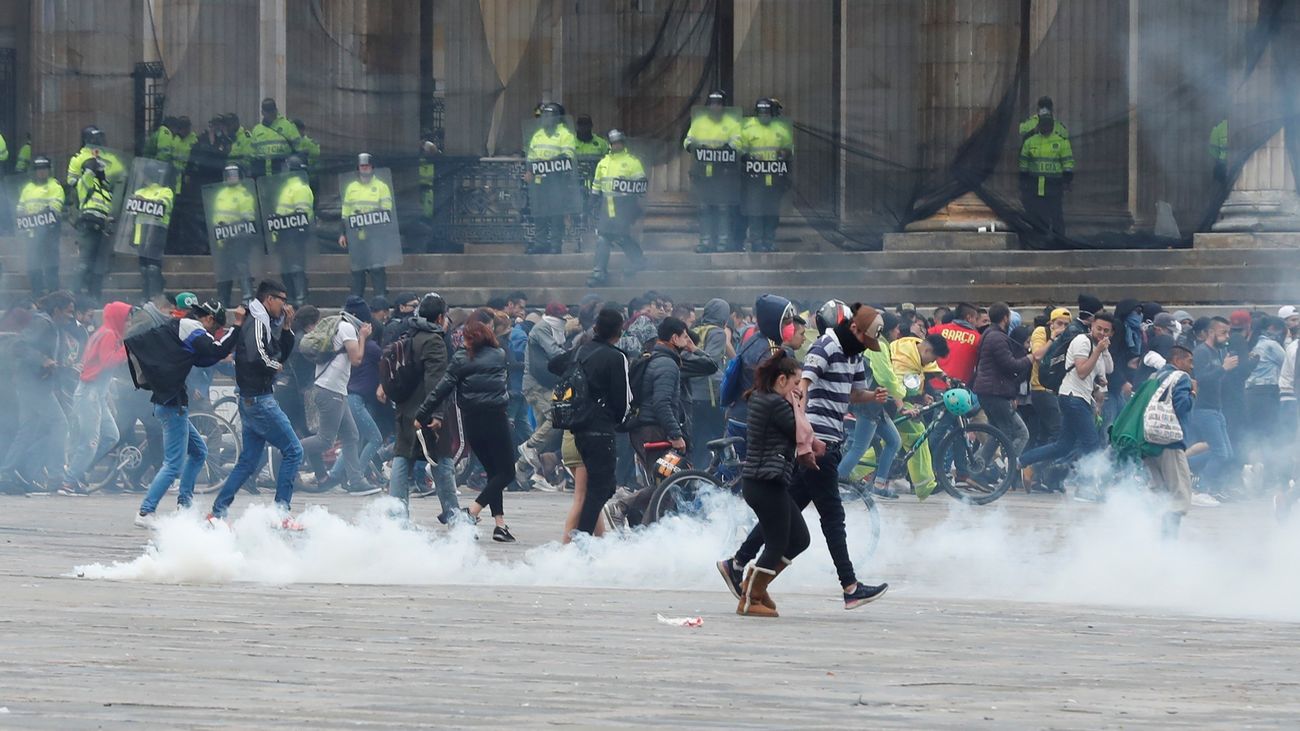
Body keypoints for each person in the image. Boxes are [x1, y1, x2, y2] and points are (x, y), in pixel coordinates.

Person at [719, 304, 890, 610]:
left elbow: (854, 393)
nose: (867, 345)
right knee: (832, 517)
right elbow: (803, 388)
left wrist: (872, 397)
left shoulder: (856, 354)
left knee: (790, 511)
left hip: (829, 440)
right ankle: (849, 586)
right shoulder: (826, 345)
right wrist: (804, 435)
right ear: (855, 329)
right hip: (817, 441)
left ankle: (738, 563)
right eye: (866, 339)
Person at [128, 300, 244, 527]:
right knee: (173, 464)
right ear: (209, 319)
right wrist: (238, 325)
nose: (213, 333)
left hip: (171, 402)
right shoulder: (191, 327)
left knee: (199, 451)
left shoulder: (182, 327)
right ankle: (145, 512)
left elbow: (206, 357)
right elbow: (216, 349)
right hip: (172, 405)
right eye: (215, 328)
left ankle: (185, 505)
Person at [209, 281, 305, 526]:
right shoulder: (256, 321)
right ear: (268, 299)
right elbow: (257, 355)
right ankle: (281, 513)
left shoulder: (266, 321)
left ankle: (217, 512)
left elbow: (280, 351)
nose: (285, 305)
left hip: (251, 399)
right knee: (294, 451)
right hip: (260, 400)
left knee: (249, 460)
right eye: (281, 300)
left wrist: (286, 329)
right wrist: (275, 366)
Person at [417, 310, 517, 542]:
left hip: (472, 420)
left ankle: (500, 525)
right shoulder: (499, 354)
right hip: (496, 418)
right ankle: (471, 512)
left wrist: (423, 412)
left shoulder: (461, 358)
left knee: (494, 471)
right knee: (506, 472)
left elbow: (441, 388)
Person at [730, 351, 810, 617]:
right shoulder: (776, 404)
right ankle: (750, 599)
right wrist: (799, 404)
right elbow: (800, 431)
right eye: (796, 382)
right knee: (776, 543)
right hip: (765, 481)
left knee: (799, 538)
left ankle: (756, 585)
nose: (799, 389)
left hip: (767, 481)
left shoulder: (767, 399)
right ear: (781, 380)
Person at [548, 307, 631, 540]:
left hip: (578, 426)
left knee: (598, 488)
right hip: (601, 428)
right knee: (602, 488)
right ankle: (582, 540)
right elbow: (621, 400)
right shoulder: (616, 357)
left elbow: (553, 365)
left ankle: (584, 540)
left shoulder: (580, 351)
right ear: (619, 332)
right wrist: (616, 420)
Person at [1018, 312, 1114, 499]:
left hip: (1081, 398)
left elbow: (1109, 369)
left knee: (1063, 445)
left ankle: (1024, 462)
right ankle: (1085, 489)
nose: (1102, 333)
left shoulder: (1098, 346)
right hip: (1072, 397)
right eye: (1099, 328)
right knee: (1091, 444)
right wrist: (1097, 351)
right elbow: (1081, 372)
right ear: (1091, 326)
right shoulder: (1082, 342)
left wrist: (1104, 350)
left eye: (1106, 331)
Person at [388, 293, 460, 523]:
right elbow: (436, 382)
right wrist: (437, 414)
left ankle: (396, 518)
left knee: (402, 456)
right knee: (442, 460)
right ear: (440, 317)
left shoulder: (410, 334)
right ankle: (454, 515)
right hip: (426, 411)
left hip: (405, 407)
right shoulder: (434, 341)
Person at [0, 291, 79, 494]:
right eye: (69, 311)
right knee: (60, 423)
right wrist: (42, 360)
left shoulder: (53, 326)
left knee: (27, 430)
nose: (72, 316)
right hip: (33, 385)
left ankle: (5, 473)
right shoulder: (43, 323)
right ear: (57, 309)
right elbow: (19, 346)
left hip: (35, 384)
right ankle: (56, 477)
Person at [299, 302, 378, 495]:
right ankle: (286, 450)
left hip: (337, 391)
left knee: (351, 436)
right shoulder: (347, 327)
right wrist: (362, 337)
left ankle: (356, 480)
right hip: (330, 390)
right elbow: (356, 359)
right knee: (325, 441)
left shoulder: (341, 326)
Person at [60, 301, 132, 496]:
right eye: (127, 318)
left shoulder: (105, 332)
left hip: (96, 394)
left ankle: (80, 470)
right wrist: (127, 349)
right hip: (89, 393)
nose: (129, 323)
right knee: (90, 441)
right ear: (118, 318)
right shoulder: (108, 334)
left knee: (111, 436)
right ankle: (69, 481)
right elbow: (107, 361)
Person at [973, 303, 1040, 462]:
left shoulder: (991, 334)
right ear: (1005, 318)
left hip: (990, 391)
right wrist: (1029, 359)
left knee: (997, 434)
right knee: (1020, 433)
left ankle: (979, 468)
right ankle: (1008, 469)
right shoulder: (997, 338)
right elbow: (1010, 366)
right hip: (995, 393)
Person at [516, 301, 570, 491]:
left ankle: (522, 468)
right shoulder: (541, 329)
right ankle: (529, 446)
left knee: (544, 432)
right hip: (536, 385)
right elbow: (554, 352)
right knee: (557, 418)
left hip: (545, 385)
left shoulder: (555, 330)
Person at [1144, 346, 1195, 539]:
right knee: (1178, 496)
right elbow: (1182, 406)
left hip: (1149, 440)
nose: (1191, 366)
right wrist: (1193, 393)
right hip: (1170, 443)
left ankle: (1141, 533)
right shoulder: (1180, 377)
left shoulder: (1154, 377)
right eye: (1189, 361)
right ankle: (1168, 541)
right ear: (1177, 359)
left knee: (1159, 493)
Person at [890, 332, 949, 498]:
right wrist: (903, 409)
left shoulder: (914, 347)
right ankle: (924, 485)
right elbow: (894, 385)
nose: (931, 363)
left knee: (891, 440)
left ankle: (856, 472)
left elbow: (928, 369)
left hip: (899, 400)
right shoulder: (904, 359)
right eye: (932, 358)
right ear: (927, 351)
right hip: (889, 402)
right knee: (915, 434)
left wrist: (922, 395)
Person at [587, 129, 648, 286]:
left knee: (620, 236)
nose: (616, 146)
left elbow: (641, 185)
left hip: (625, 205)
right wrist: (591, 201)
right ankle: (599, 272)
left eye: (619, 143)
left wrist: (634, 206)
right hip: (607, 205)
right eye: (614, 143)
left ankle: (638, 259)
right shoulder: (603, 163)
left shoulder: (632, 162)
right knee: (603, 237)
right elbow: (597, 185)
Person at [685, 90, 742, 253]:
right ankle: (705, 242)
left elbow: (738, 142)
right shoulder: (699, 122)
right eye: (712, 103)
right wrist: (694, 147)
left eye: (719, 104)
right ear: (708, 105)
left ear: (723, 106)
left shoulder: (731, 123)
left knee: (723, 208)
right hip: (702, 172)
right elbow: (688, 141)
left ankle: (723, 242)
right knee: (704, 208)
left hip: (723, 172)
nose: (715, 107)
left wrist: (728, 147)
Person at [739, 97, 793, 252]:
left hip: (775, 176)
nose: (764, 115)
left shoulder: (781, 129)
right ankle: (756, 242)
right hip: (755, 177)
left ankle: (769, 241)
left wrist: (785, 153)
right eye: (761, 112)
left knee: (772, 210)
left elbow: (789, 148)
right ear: (757, 113)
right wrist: (747, 156)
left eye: (767, 112)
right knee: (755, 210)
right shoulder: (748, 128)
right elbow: (739, 148)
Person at [339, 153, 395, 298]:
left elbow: (386, 211)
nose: (364, 168)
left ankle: (380, 300)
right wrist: (342, 233)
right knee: (357, 270)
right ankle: (356, 301)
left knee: (377, 267)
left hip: (375, 234)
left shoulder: (381, 187)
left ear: (372, 167)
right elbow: (346, 213)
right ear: (358, 168)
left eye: (367, 166)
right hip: (356, 235)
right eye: (362, 166)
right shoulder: (351, 188)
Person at [524, 102, 577, 255]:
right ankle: (540, 243)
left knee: (556, 213)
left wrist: (548, 163)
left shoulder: (565, 135)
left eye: (549, 115)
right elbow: (531, 156)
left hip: (557, 180)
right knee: (539, 212)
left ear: (557, 118)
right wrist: (529, 170)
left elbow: (568, 156)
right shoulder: (538, 134)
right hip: (539, 180)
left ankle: (555, 245)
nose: (546, 118)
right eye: (544, 116)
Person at [689, 298, 734, 465]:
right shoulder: (717, 333)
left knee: (699, 440)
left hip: (692, 395)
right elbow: (711, 361)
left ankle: (697, 477)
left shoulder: (695, 329)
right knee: (719, 439)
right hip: (711, 396)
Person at [1019, 111, 1075, 240]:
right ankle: (1040, 238)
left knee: (1056, 213)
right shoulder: (1030, 142)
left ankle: (1059, 239)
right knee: (1038, 213)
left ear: (1052, 126)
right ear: (1039, 125)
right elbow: (1023, 161)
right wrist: (1023, 179)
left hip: (1053, 184)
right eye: (1043, 124)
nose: (1046, 127)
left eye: (1048, 124)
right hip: (1035, 183)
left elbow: (1068, 161)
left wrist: (1067, 179)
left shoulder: (1061, 142)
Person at [15, 155, 66, 297]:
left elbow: (55, 208)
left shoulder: (55, 186)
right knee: (33, 265)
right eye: (38, 169)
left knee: (51, 265)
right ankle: (37, 295)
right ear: (35, 171)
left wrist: (36, 216)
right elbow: (20, 208)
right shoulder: (27, 188)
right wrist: (23, 217)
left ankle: (53, 294)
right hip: (31, 234)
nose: (41, 172)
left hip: (49, 233)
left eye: (44, 169)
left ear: (49, 170)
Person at [211, 164, 259, 306]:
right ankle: (223, 300)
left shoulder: (244, 194)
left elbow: (248, 218)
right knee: (224, 270)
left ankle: (248, 297)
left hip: (239, 238)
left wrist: (235, 229)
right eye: (229, 175)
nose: (232, 177)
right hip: (223, 238)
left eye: (234, 174)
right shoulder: (221, 194)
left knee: (241, 266)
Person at [127, 163, 175, 303]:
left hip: (156, 234)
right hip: (140, 234)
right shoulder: (139, 192)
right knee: (143, 268)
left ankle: (155, 296)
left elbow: (163, 206)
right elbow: (132, 212)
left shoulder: (165, 191)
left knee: (153, 268)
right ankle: (146, 296)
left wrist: (144, 202)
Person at [271, 155, 314, 306]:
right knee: (286, 268)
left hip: (295, 235)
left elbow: (302, 213)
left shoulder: (300, 188)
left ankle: (301, 298)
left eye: (287, 167)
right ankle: (291, 298)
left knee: (296, 267)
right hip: (284, 235)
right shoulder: (287, 188)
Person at [72, 157, 114, 302]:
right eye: (98, 170)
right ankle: (74, 296)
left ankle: (94, 297)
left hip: (101, 230)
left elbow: (106, 210)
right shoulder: (85, 184)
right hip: (88, 228)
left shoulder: (105, 191)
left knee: (98, 268)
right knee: (83, 265)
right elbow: (88, 174)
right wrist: (94, 161)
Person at [1028, 307, 1070, 451]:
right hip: (1041, 388)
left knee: (1044, 434)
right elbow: (1038, 356)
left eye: (1066, 325)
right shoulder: (1041, 332)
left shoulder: (1068, 337)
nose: (1062, 328)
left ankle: (1036, 468)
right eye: (1059, 323)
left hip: (1058, 390)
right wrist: (1052, 338)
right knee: (1058, 431)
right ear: (1051, 323)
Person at [928, 302, 982, 385]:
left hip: (932, 385)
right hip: (958, 390)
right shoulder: (977, 338)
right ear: (969, 318)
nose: (977, 323)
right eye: (976, 319)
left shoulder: (936, 330)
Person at [250, 98, 301, 177]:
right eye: (267, 111)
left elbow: (298, 148)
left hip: (282, 171)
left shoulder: (287, 126)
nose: (270, 113)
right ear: (262, 112)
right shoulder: (256, 130)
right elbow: (252, 153)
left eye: (271, 110)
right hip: (262, 174)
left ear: (276, 110)